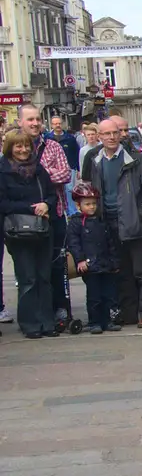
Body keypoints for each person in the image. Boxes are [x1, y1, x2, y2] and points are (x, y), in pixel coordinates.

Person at [82, 115, 142, 329]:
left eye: (115, 132)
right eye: (106, 133)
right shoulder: (94, 159)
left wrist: (141, 214)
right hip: (108, 222)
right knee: (122, 271)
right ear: (99, 136)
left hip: (134, 222)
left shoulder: (135, 158)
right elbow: (87, 187)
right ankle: (129, 312)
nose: (112, 137)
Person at [0, 129, 60, 338]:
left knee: (44, 277)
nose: (23, 150)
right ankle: (30, 323)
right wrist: (31, 208)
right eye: (18, 146)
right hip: (18, 231)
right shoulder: (3, 170)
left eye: (26, 145)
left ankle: (47, 321)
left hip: (42, 228)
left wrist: (46, 204)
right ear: (10, 147)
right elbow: (3, 203)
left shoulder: (39, 169)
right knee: (28, 278)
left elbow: (52, 195)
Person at [18, 106, 73, 328]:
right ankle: (35, 313)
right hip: (23, 219)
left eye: (38, 119)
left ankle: (59, 309)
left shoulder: (53, 146)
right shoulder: (16, 148)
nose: (35, 123)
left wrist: (37, 174)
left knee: (56, 264)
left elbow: (66, 173)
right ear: (21, 122)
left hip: (54, 214)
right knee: (29, 270)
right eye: (30, 119)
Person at [66, 182, 118, 333]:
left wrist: (114, 261)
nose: (91, 207)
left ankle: (107, 320)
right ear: (78, 206)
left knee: (108, 295)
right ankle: (95, 321)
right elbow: (74, 244)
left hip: (105, 264)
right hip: (89, 266)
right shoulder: (75, 223)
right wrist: (80, 260)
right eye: (87, 204)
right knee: (94, 296)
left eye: (94, 204)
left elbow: (110, 243)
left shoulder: (101, 221)